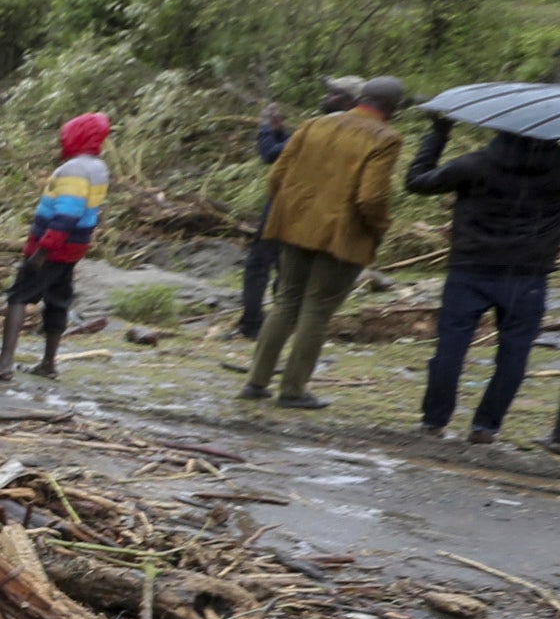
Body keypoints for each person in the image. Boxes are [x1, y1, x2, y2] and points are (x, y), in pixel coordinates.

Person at [240, 78, 404, 410]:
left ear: (362, 97)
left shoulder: (314, 125)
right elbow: (370, 196)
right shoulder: (385, 138)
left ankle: (256, 383)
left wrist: (294, 212)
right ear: (392, 108)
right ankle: (293, 390)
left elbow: (276, 177)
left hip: (295, 226)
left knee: (286, 301)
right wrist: (381, 226)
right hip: (342, 236)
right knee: (317, 309)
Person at [403, 109, 560, 441]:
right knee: (514, 354)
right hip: (528, 274)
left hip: (470, 269)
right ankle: (486, 427)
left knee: (451, 348)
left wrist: (439, 134)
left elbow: (416, 181)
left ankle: (434, 421)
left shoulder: (474, 165)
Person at [0, 115, 114, 381]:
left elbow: (67, 214)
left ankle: (3, 364)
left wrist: (42, 251)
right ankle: (48, 364)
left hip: (54, 245)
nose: (61, 139)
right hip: (76, 245)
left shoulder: (74, 170)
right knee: (58, 299)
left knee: (19, 297)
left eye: (66, 134)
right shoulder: (98, 166)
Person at [239, 84, 354, 337]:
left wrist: (267, 127)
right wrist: (281, 133)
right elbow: (294, 151)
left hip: (289, 205)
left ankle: (253, 325)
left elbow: (271, 155)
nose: (326, 95)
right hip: (316, 209)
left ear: (349, 101)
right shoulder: (352, 131)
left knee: (261, 264)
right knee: (288, 267)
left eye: (334, 92)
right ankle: (282, 325)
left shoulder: (321, 128)